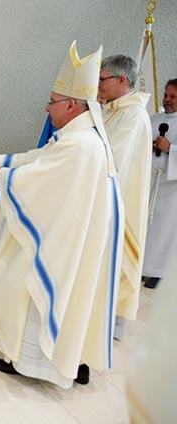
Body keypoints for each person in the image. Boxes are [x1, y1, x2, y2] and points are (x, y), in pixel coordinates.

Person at [0, 41, 123, 388]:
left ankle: (31, 362)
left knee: (20, 278)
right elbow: (40, 160)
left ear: (70, 105)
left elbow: (41, 181)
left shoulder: (81, 145)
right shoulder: (78, 136)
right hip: (76, 236)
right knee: (72, 299)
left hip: (63, 243)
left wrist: (0, 177)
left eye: (52, 102)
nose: (47, 107)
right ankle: (72, 360)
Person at [98, 55, 152, 338]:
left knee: (114, 260)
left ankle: (111, 324)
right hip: (106, 200)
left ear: (122, 80)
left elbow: (110, 159)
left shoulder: (132, 115)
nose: (98, 85)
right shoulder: (112, 110)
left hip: (119, 203)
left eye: (102, 79)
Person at [142, 79, 177, 289]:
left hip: (171, 187)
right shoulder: (154, 119)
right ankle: (142, 266)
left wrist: (170, 148)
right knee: (146, 226)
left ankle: (159, 271)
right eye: (166, 95)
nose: (167, 100)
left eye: (173, 96)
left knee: (165, 230)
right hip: (151, 181)